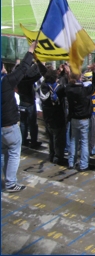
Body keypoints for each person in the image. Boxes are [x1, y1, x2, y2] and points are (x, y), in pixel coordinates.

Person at [1, 41, 37, 193]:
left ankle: (7, 180)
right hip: (9, 125)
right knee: (14, 152)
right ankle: (10, 183)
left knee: (3, 153)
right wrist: (30, 51)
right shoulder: (6, 82)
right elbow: (22, 69)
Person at [65, 66, 95, 171]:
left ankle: (71, 162)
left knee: (73, 140)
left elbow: (68, 84)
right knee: (84, 142)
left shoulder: (68, 89)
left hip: (74, 118)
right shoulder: (84, 90)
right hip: (84, 118)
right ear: (80, 77)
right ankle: (84, 164)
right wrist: (94, 72)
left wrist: (67, 73)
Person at [37, 62, 69, 165]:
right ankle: (58, 158)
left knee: (51, 139)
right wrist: (68, 73)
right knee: (59, 141)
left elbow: (45, 73)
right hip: (58, 119)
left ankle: (52, 155)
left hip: (47, 118)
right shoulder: (58, 90)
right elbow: (68, 88)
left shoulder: (43, 87)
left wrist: (38, 61)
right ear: (55, 79)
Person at [16, 59, 42, 149]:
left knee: (23, 123)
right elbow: (37, 75)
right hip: (29, 103)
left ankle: (23, 140)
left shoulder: (17, 78)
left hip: (22, 102)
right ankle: (33, 141)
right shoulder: (26, 80)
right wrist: (37, 64)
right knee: (32, 123)